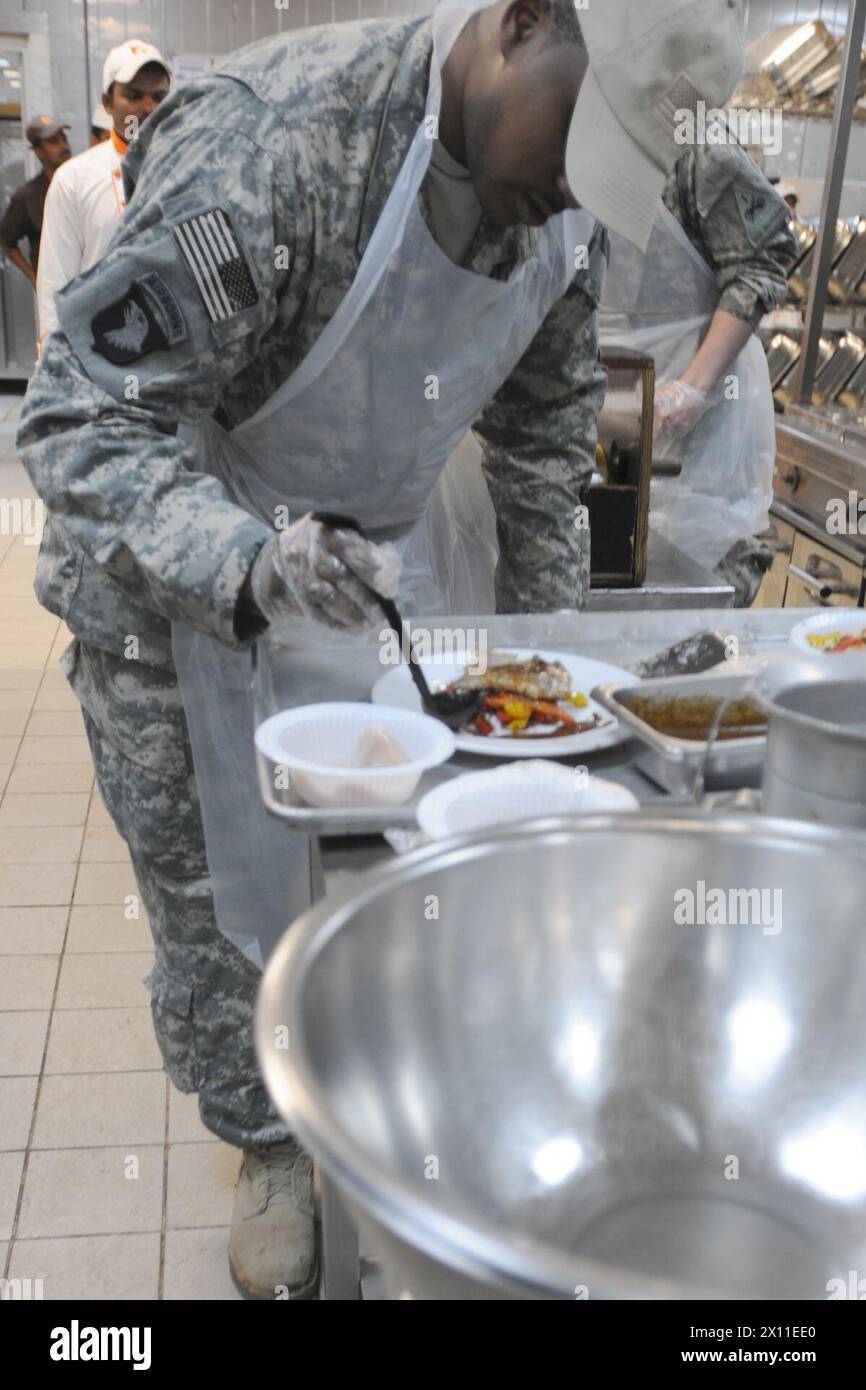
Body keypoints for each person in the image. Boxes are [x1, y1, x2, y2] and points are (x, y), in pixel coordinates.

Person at [18, 0, 743, 1298]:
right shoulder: (274, 144)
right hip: (166, 569)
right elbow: (80, 420)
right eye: (579, 154)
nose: (572, 204)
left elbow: (538, 435)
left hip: (353, 567)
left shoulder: (557, 203)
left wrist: (547, 659)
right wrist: (245, 559)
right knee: (206, 895)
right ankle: (265, 1145)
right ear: (521, 25)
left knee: (358, 858)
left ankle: (361, 1077)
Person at [600, 142, 796, 605]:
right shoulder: (586, 130)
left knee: (692, 604)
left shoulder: (702, 146)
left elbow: (762, 263)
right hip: (613, 407)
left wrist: (691, 388)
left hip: (702, 433)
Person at [36, 42, 171, 342]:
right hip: (101, 349)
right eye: (134, 96)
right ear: (108, 102)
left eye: (159, 97)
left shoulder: (186, 171)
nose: (148, 108)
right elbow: (54, 284)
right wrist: (54, 362)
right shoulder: (75, 179)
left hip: (173, 354)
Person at [0, 116, 71, 287]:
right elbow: (6, 241)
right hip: (55, 289)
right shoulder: (27, 196)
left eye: (64, 138)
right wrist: (34, 277)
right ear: (39, 152)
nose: (64, 146)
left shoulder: (83, 182)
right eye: (54, 141)